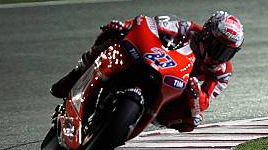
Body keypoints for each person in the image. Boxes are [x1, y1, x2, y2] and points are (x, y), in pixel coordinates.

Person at [50, 11, 244, 132]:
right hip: (153, 60)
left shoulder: (222, 72)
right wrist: (125, 25)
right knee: (112, 34)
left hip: (174, 89)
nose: (221, 55)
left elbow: (205, 102)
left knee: (190, 122)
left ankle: (138, 119)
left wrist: (195, 93)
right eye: (218, 47)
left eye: (227, 51)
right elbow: (150, 23)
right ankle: (74, 76)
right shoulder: (186, 29)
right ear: (207, 34)